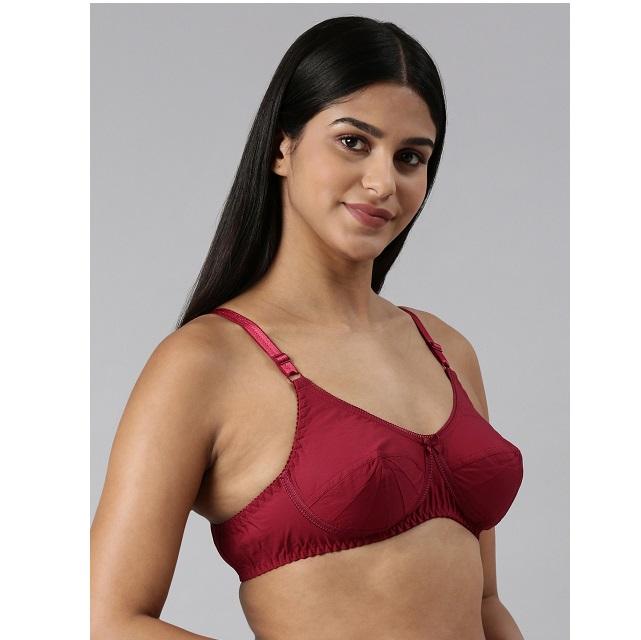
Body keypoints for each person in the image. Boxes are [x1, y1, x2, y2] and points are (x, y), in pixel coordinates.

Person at [91, 16, 525, 640]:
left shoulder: (447, 348)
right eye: (353, 142)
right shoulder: (206, 362)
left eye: (410, 157)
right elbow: (104, 619)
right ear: (282, 148)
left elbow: (485, 603)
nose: (383, 182)